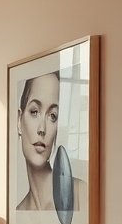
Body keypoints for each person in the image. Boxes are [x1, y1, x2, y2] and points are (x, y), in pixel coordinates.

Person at [16, 70, 86, 215]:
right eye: (34, 112)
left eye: (52, 116)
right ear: (19, 121)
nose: (42, 129)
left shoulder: (81, 194)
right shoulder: (18, 212)